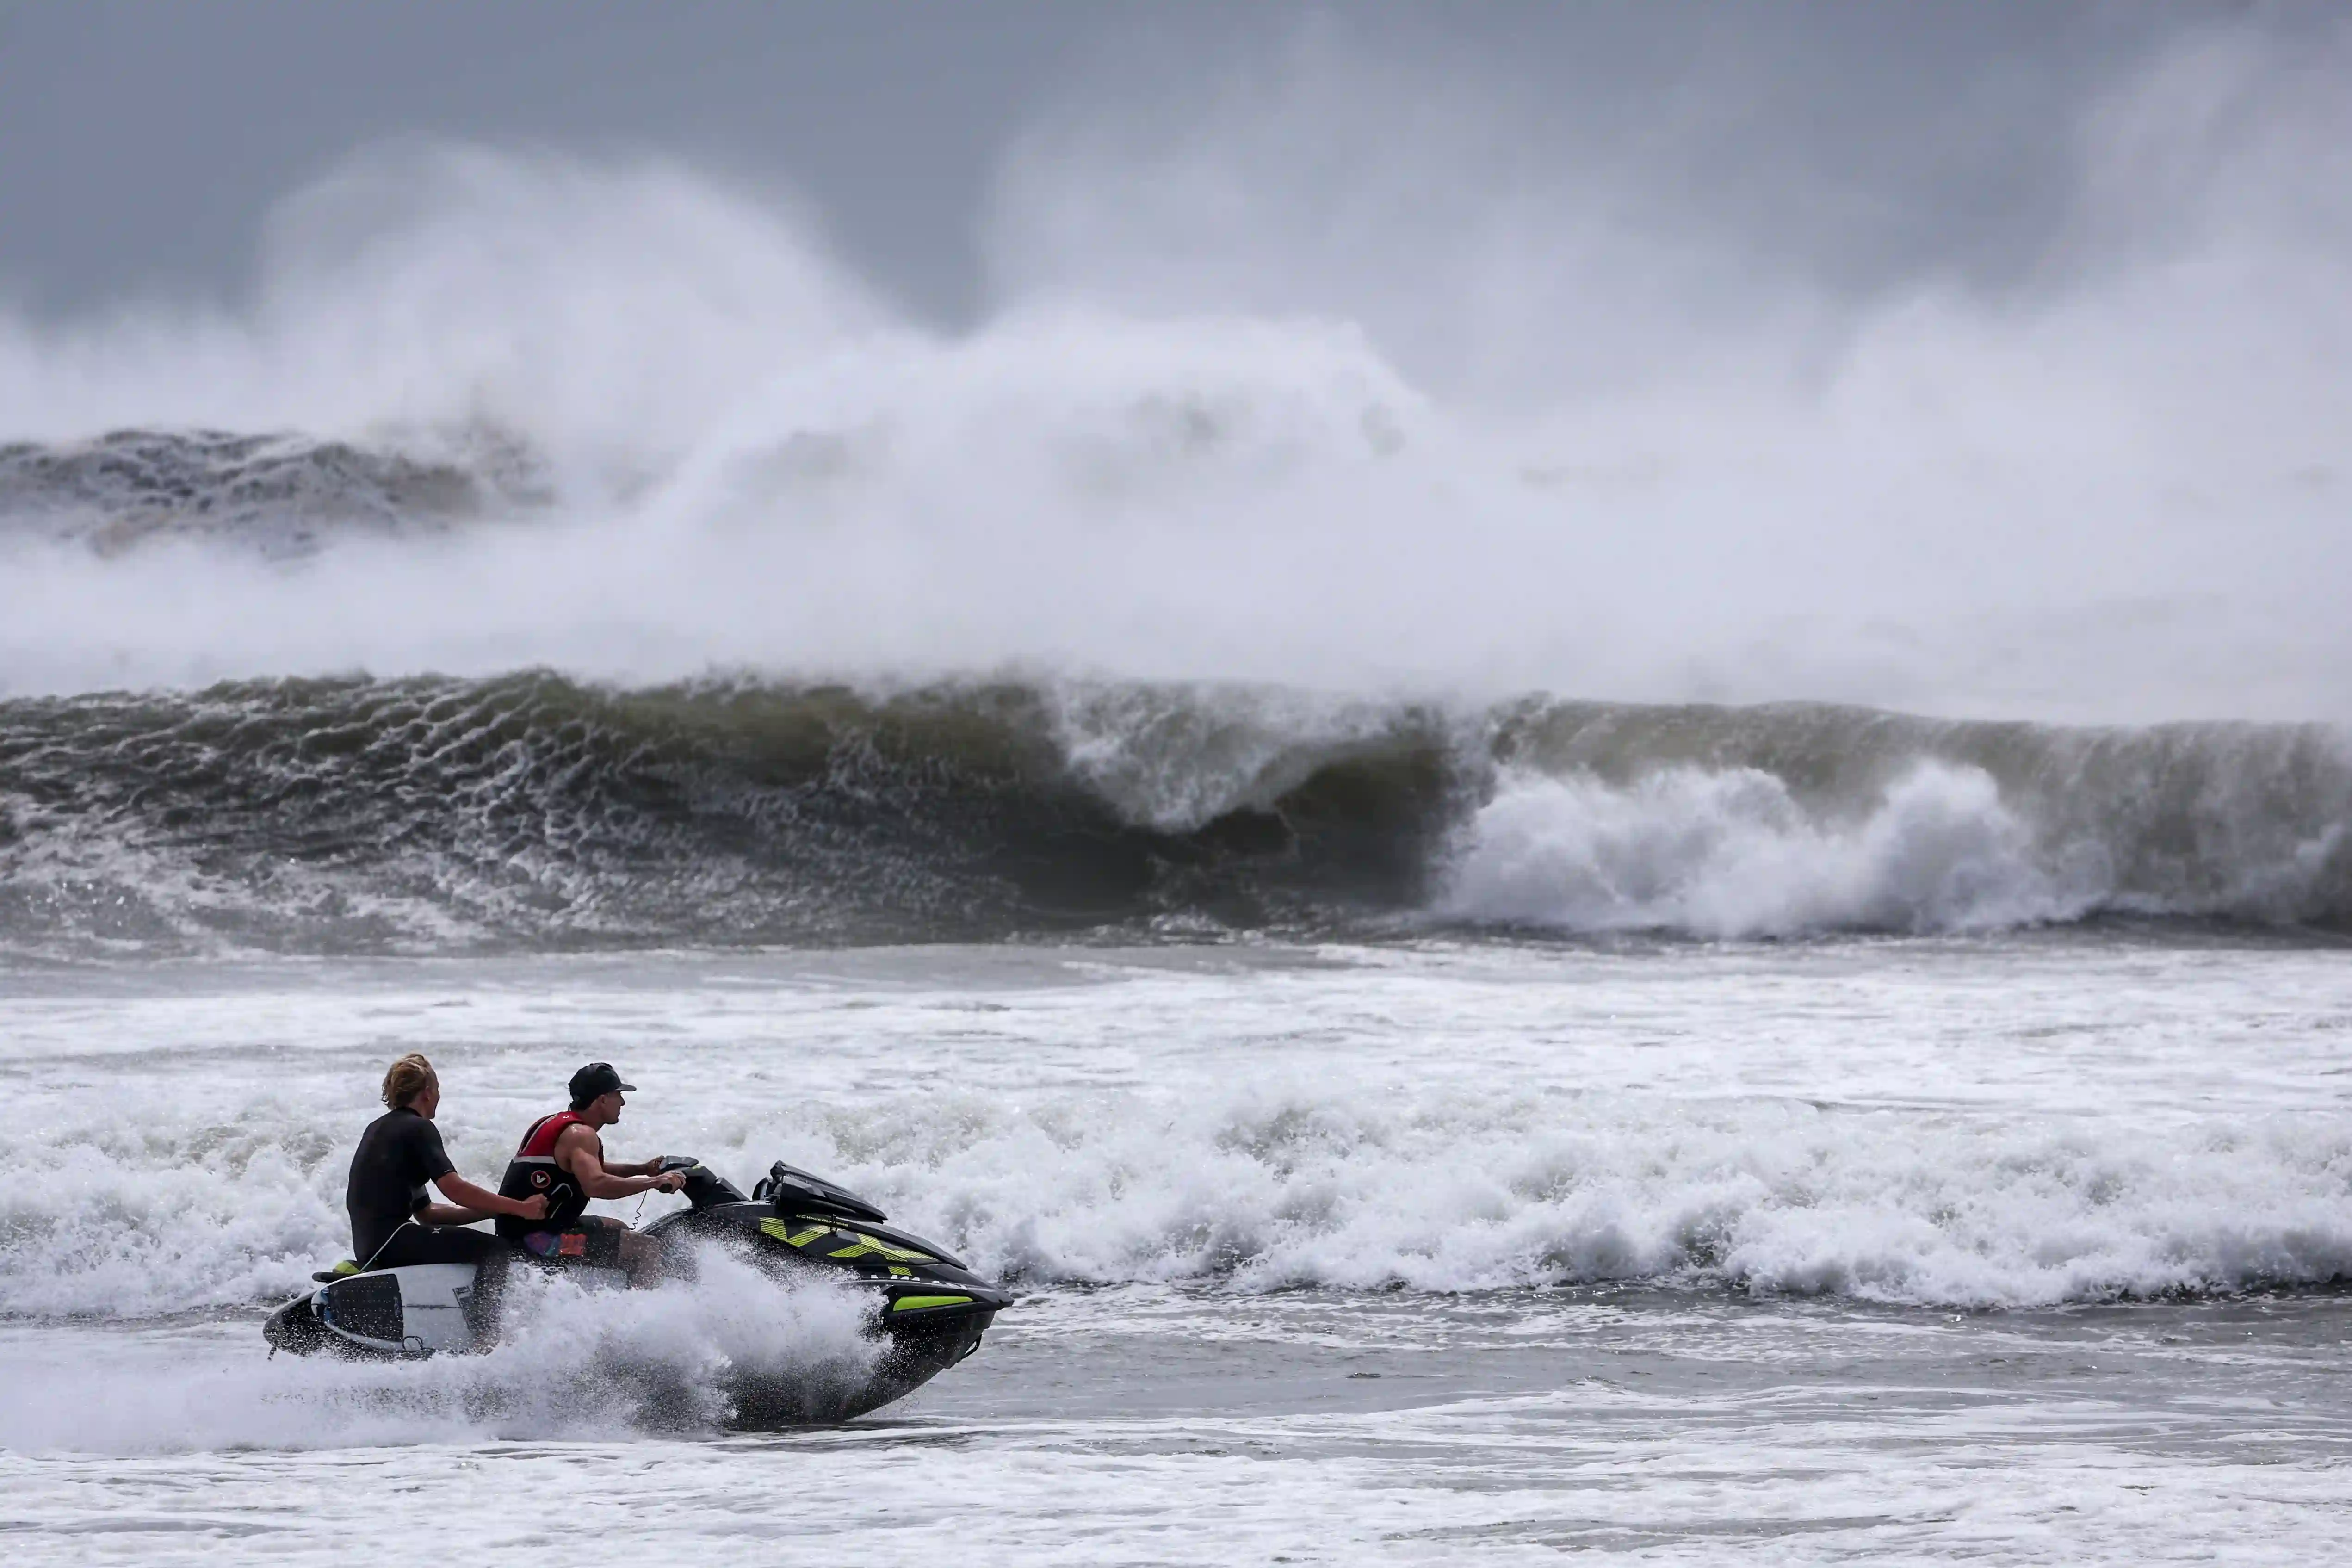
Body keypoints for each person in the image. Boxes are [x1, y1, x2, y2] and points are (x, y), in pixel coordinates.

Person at [344, 1054, 548, 1282]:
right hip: (394, 1241)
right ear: (427, 1093)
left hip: (370, 1247)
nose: (439, 1096)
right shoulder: (420, 1128)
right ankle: (485, 1318)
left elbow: (428, 1214)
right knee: (496, 1250)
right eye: (438, 1088)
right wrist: (520, 1208)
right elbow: (455, 1189)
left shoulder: (379, 1128)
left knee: (457, 1244)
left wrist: (494, 1210)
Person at [495, 1062, 683, 1285]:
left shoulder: (554, 1124)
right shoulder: (581, 1134)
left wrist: (641, 1169)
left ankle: (608, 1291)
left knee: (618, 1227)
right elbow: (596, 1184)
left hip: (528, 1229)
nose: (622, 1102)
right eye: (618, 1095)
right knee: (646, 1248)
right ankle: (644, 1313)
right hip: (537, 1240)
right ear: (602, 1099)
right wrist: (654, 1182)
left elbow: (591, 1170)